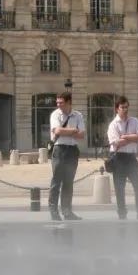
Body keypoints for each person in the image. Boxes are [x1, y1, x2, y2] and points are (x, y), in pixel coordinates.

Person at [106, 97, 138, 221]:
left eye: (126, 107)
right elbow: (115, 143)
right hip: (119, 158)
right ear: (117, 109)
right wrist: (132, 137)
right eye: (122, 107)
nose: (125, 110)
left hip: (131, 158)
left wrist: (125, 137)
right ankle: (122, 213)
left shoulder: (134, 121)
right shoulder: (113, 125)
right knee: (119, 188)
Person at [48, 92, 85, 222]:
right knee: (56, 182)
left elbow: (82, 135)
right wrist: (73, 130)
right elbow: (57, 131)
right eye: (57, 102)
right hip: (59, 149)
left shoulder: (78, 115)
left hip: (72, 151)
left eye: (61, 102)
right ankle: (53, 211)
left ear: (69, 102)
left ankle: (67, 211)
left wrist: (69, 132)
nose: (58, 105)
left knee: (68, 183)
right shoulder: (55, 114)